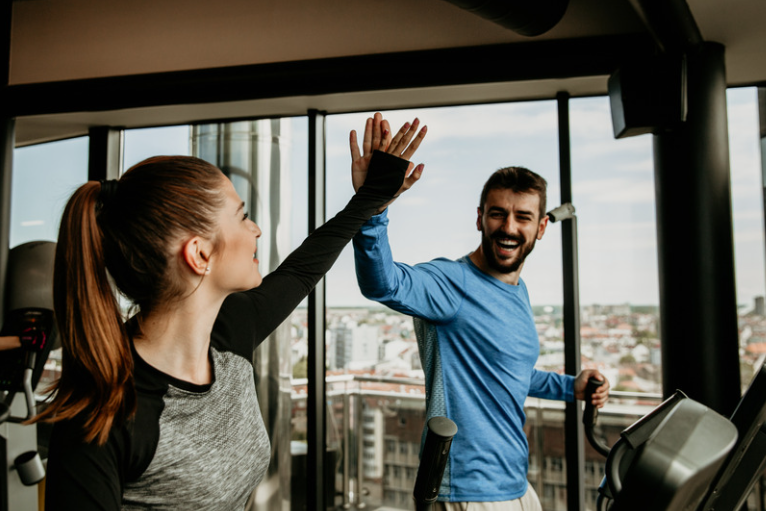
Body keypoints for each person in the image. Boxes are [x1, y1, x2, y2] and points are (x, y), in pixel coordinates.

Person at [34, 113, 427, 510]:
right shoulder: (101, 418)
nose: (255, 229)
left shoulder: (228, 331)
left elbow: (302, 270)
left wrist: (370, 199)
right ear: (200, 254)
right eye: (242, 216)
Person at [351, 147, 610, 510]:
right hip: (467, 493)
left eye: (522, 217)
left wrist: (572, 388)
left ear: (541, 227)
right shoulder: (451, 283)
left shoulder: (517, 291)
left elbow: (508, 372)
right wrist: (373, 204)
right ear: (480, 219)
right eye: (497, 214)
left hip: (516, 485)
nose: (508, 227)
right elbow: (383, 282)